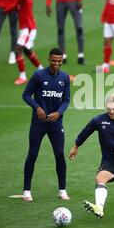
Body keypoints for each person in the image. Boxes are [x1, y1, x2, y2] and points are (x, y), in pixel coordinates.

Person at [21, 48, 70, 201]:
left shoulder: (65, 77)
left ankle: (62, 190)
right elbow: (26, 94)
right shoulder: (39, 75)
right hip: (39, 123)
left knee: (60, 154)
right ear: (49, 59)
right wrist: (37, 107)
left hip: (56, 123)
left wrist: (59, 112)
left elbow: (66, 99)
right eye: (54, 61)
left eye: (59, 61)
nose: (56, 64)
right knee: (33, 154)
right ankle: (27, 191)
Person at [3, 0, 44, 85]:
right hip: (24, 29)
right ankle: (41, 70)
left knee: (18, 49)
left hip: (29, 29)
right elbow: (15, 5)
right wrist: (5, 11)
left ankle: (22, 76)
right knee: (27, 51)